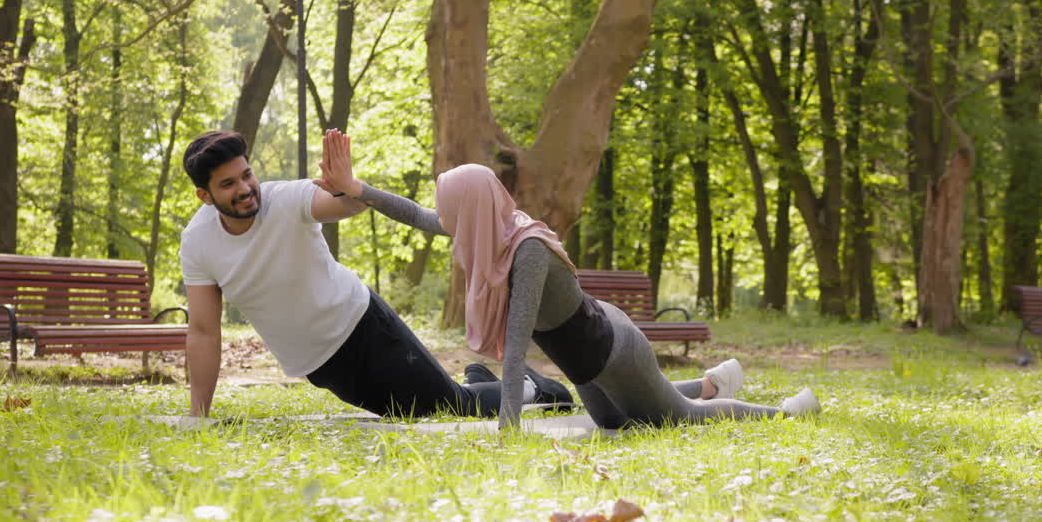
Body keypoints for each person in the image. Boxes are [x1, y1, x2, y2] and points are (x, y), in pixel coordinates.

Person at [314, 131, 821, 430]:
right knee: (617, 424)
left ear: (474, 207)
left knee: (678, 417)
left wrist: (508, 433)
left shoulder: (526, 249)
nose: (446, 221)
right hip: (585, 364)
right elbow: (421, 216)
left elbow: (516, 350)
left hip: (614, 348)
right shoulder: (489, 229)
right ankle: (714, 380)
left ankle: (787, 412)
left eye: (452, 209)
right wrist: (356, 189)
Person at [177, 130, 572, 420]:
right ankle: (479, 378)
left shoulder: (284, 199)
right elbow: (204, 331)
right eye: (228, 184)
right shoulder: (198, 243)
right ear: (205, 196)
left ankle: (535, 389)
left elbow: (347, 207)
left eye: (246, 175)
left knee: (447, 409)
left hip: (364, 327)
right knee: (411, 413)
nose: (245, 188)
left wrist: (347, 187)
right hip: (321, 365)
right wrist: (199, 416)